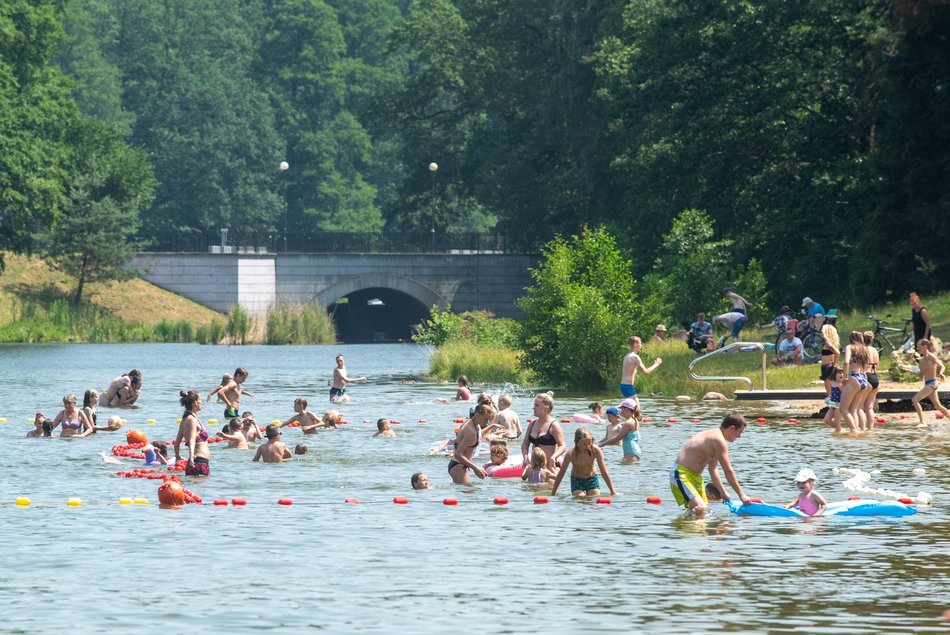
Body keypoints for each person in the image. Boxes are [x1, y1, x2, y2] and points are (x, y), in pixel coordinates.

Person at [669, 412, 752, 518]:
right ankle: (681, 529)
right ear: (732, 428)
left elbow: (713, 469)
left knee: (703, 513)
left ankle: (694, 532)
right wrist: (741, 495)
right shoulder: (718, 440)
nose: (740, 436)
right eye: (740, 432)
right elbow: (728, 470)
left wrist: (723, 492)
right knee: (701, 508)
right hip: (681, 475)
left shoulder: (717, 439)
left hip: (695, 477)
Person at [551, 428, 617, 497]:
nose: (588, 446)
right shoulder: (571, 454)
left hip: (591, 478)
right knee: (580, 498)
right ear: (577, 443)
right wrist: (553, 493)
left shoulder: (596, 450)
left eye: (589, 443)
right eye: (584, 444)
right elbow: (561, 473)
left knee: (595, 497)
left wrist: (613, 491)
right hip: (577, 480)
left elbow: (604, 471)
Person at [902, 338, 950, 425]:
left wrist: (941, 373)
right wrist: (909, 371)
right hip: (927, 383)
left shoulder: (931, 356)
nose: (917, 348)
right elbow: (920, 375)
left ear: (925, 346)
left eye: (918, 346)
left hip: (933, 383)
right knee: (937, 406)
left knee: (915, 400)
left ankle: (922, 422)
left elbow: (942, 366)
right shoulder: (921, 360)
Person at [448, 402, 495, 485]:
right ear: (477, 414)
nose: (486, 422)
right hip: (459, 466)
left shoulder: (472, 423)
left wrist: (492, 426)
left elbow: (478, 435)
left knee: (469, 493)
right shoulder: (470, 431)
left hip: (461, 465)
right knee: (468, 494)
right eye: (485, 419)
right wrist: (475, 468)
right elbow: (458, 454)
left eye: (488, 420)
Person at [520, 392, 566, 471]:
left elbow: (562, 446)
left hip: (550, 467)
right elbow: (525, 444)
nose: (533, 408)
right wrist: (525, 457)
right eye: (534, 405)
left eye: (537, 405)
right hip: (535, 468)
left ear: (546, 407)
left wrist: (553, 457)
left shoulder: (554, 425)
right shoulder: (532, 424)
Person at [174, 390, 211, 476]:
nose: (201, 402)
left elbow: (177, 443)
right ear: (195, 402)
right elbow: (192, 440)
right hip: (199, 463)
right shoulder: (192, 420)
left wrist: (177, 456)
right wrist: (191, 458)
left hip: (197, 462)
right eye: (200, 399)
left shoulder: (185, 419)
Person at [840, 331, 870, 433]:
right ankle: (857, 431)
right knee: (853, 409)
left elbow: (846, 362)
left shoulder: (850, 347)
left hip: (854, 376)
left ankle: (853, 430)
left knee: (843, 409)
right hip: (864, 377)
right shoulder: (865, 349)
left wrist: (844, 377)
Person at [620, 336, 663, 403]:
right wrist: (657, 364)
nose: (641, 345)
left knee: (629, 409)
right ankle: (609, 411)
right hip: (628, 386)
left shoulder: (627, 356)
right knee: (637, 410)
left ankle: (611, 412)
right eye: (640, 343)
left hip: (623, 385)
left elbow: (632, 371)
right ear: (635, 344)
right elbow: (646, 372)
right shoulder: (635, 357)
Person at [598, 398, 642, 462]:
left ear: (626, 409)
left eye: (622, 409)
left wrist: (602, 444)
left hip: (631, 452)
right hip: (633, 451)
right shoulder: (635, 420)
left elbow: (618, 438)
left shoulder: (628, 423)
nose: (621, 411)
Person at [861, 331, 881, 430]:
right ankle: (871, 429)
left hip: (866, 376)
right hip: (875, 377)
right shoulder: (875, 350)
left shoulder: (862, 350)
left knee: (859, 406)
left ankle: (862, 428)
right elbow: (878, 364)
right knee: (869, 407)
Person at [820, 324, 841, 398]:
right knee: (833, 390)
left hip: (827, 367)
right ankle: (833, 408)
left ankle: (832, 408)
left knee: (829, 393)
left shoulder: (828, 342)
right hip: (829, 366)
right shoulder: (834, 342)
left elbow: (837, 352)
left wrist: (834, 363)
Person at [823, 367, 845, 433]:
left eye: (843, 373)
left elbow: (844, 394)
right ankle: (840, 430)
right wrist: (828, 399)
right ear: (834, 374)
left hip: (838, 405)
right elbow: (832, 394)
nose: (841, 375)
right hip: (833, 404)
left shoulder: (841, 385)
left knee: (837, 422)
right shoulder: (833, 383)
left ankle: (838, 433)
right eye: (839, 373)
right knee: (827, 420)